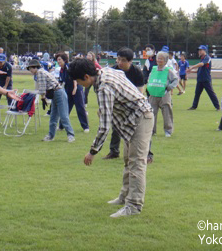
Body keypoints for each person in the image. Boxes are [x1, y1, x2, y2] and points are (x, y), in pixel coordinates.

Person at [69, 58, 154, 218]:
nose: (79, 84)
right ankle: (124, 197)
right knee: (128, 160)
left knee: (137, 163)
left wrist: (92, 151)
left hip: (140, 118)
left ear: (86, 76)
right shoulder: (106, 71)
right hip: (132, 119)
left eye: (79, 81)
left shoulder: (103, 88)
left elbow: (104, 127)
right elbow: (121, 74)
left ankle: (134, 205)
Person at [103, 47, 144, 160]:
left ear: (130, 61)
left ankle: (147, 153)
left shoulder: (137, 72)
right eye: (118, 59)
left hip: (133, 105)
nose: (120, 62)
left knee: (139, 130)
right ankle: (114, 151)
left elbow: (140, 92)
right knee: (116, 128)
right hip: (118, 105)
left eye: (123, 60)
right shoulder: (113, 70)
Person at [26, 59, 75, 143]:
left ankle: (71, 135)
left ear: (34, 67)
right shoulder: (41, 71)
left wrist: (43, 97)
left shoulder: (40, 73)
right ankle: (50, 136)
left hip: (58, 93)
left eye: (30, 68)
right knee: (53, 116)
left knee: (63, 116)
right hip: (55, 93)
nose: (30, 70)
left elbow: (42, 88)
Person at [147, 51, 178, 137]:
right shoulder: (153, 69)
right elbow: (149, 79)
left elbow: (176, 80)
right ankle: (151, 131)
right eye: (158, 58)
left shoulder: (168, 70)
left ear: (165, 61)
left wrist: (169, 87)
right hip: (153, 95)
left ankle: (168, 131)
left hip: (164, 95)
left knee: (167, 112)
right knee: (151, 113)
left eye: (161, 59)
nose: (158, 60)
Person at [56, 52, 89, 132]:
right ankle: (61, 126)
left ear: (64, 60)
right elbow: (61, 81)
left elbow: (74, 76)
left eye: (60, 59)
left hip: (77, 89)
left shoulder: (68, 66)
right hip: (68, 90)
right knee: (66, 108)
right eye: (57, 60)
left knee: (80, 108)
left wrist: (75, 88)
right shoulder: (61, 70)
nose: (58, 61)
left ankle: (85, 127)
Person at [187, 45, 220, 111]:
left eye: (200, 50)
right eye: (199, 50)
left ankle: (217, 107)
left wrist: (192, 67)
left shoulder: (207, 58)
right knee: (197, 93)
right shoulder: (202, 59)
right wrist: (191, 71)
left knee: (211, 93)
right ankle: (194, 106)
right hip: (200, 79)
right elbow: (199, 70)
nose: (199, 52)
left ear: (204, 51)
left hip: (206, 79)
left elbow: (201, 64)